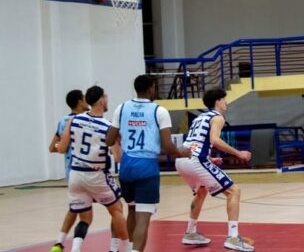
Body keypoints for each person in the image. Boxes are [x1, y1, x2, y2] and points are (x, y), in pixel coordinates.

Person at [106, 75, 191, 252]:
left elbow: (109, 140)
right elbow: (167, 145)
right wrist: (181, 152)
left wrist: (124, 136)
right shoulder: (159, 111)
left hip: (126, 166)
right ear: (151, 88)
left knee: (131, 210)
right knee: (143, 219)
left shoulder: (121, 108)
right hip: (146, 166)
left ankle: (129, 248)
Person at [175, 89, 254, 251]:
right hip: (196, 160)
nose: (226, 102)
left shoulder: (199, 118)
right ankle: (233, 238)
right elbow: (215, 140)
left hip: (182, 160)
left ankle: (190, 233)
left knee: (201, 191)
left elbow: (195, 142)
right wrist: (239, 153)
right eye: (224, 99)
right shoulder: (218, 117)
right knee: (234, 191)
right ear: (218, 101)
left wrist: (209, 159)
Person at [56, 86, 129, 252]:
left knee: (85, 217)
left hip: (75, 174)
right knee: (117, 210)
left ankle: (74, 249)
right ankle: (127, 248)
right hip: (96, 175)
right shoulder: (108, 126)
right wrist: (118, 144)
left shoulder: (73, 120)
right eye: (106, 96)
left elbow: (61, 149)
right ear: (101, 100)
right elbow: (118, 158)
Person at [48, 90, 88, 252]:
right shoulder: (85, 120)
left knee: (75, 208)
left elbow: (52, 147)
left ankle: (58, 243)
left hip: (70, 173)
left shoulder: (63, 121)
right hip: (86, 172)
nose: (86, 101)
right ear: (79, 102)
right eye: (84, 99)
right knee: (111, 208)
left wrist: (64, 146)